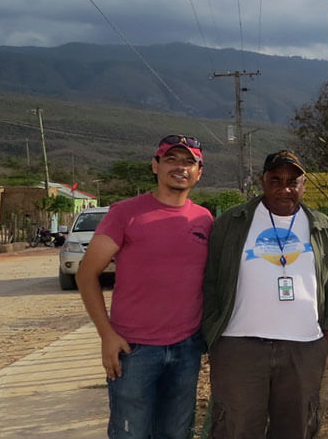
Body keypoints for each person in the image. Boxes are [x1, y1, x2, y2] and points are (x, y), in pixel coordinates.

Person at [201, 150, 328, 438]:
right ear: (263, 181)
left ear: (303, 185)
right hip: (239, 347)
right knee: (237, 428)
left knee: (296, 428)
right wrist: (214, 332)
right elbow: (209, 279)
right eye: (276, 180)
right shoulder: (233, 223)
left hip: (304, 347)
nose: (285, 188)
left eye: (292, 181)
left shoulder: (321, 227)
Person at [77, 135, 212, 438]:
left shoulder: (204, 219)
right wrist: (106, 335)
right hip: (134, 349)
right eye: (171, 159)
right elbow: (86, 274)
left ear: (199, 172)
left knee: (177, 433)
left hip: (187, 348)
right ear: (155, 165)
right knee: (131, 433)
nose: (180, 167)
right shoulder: (125, 213)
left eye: (189, 161)